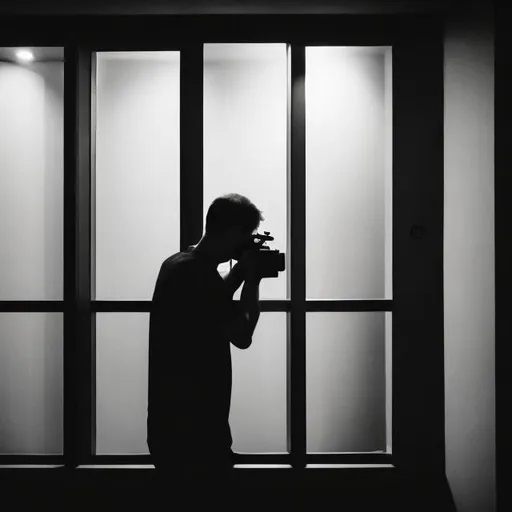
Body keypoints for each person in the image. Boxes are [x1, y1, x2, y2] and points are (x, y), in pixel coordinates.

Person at [147, 193, 265, 510]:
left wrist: (238, 273)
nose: (247, 244)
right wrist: (252, 282)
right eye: (246, 236)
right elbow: (242, 336)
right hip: (196, 435)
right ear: (232, 232)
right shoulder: (198, 275)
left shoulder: (177, 265)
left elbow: (208, 304)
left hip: (171, 426)